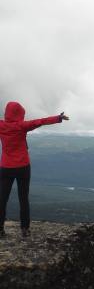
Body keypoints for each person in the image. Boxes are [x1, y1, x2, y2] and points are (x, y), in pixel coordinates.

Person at [0, 101, 69, 237]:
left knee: (2, 199)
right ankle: (25, 229)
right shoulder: (22, 126)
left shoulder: (1, 125)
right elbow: (40, 121)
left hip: (6, 167)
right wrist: (58, 118)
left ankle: (0, 229)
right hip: (23, 167)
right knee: (23, 198)